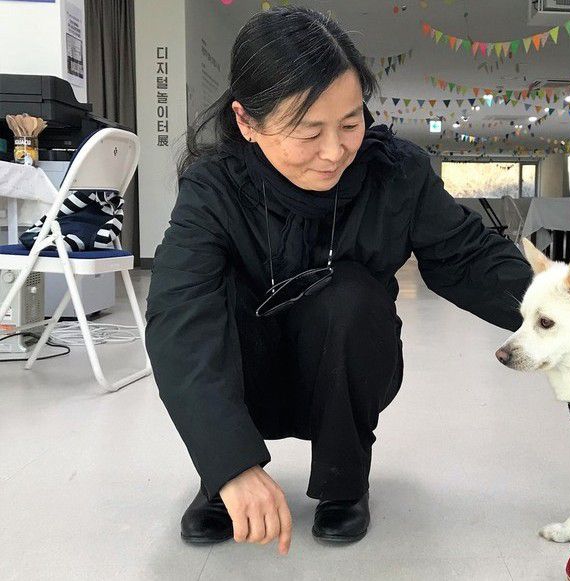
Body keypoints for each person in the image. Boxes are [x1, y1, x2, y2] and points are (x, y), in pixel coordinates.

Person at [145, 7, 532, 555]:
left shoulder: (395, 174)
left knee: (352, 295)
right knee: (215, 305)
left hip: (343, 372)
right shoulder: (214, 187)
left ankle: (344, 485)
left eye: (351, 123)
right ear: (247, 122)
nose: (334, 152)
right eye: (307, 132)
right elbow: (179, 317)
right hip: (247, 371)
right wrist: (229, 463)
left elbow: (468, 256)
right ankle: (222, 481)